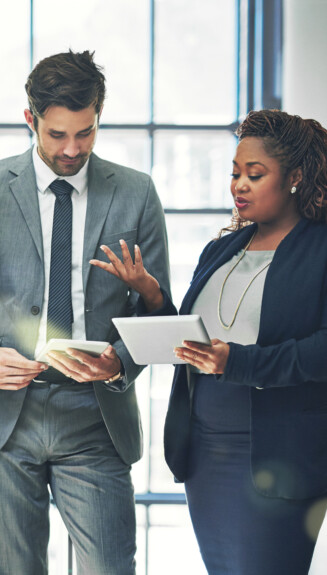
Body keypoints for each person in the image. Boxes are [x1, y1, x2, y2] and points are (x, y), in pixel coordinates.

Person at [0, 49, 171, 575]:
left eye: (85, 133)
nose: (72, 149)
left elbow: (158, 310)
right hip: (3, 415)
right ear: (31, 120)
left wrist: (120, 362)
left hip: (95, 417)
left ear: (98, 118)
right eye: (57, 135)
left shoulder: (136, 194)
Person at [91, 109, 327, 574]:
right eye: (235, 173)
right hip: (205, 452)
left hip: (278, 455)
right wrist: (152, 294)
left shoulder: (321, 249)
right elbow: (190, 340)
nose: (239, 185)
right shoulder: (221, 250)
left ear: (296, 177)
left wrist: (237, 363)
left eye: (254, 175)